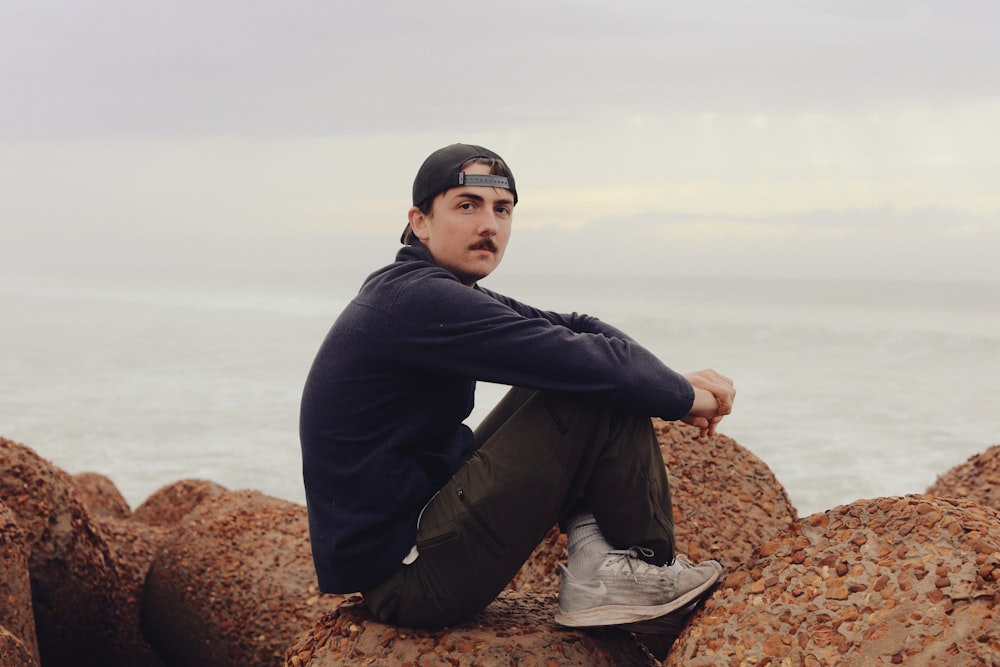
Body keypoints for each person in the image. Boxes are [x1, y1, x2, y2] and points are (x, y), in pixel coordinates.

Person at [299, 143, 736, 633]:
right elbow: (592, 361)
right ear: (420, 222)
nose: (489, 225)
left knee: (589, 374)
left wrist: (671, 380)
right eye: (467, 205)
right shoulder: (415, 300)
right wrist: (683, 398)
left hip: (417, 547)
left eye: (502, 209)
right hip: (412, 579)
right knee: (594, 383)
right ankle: (640, 570)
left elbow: (578, 327)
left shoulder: (428, 291)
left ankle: (603, 564)